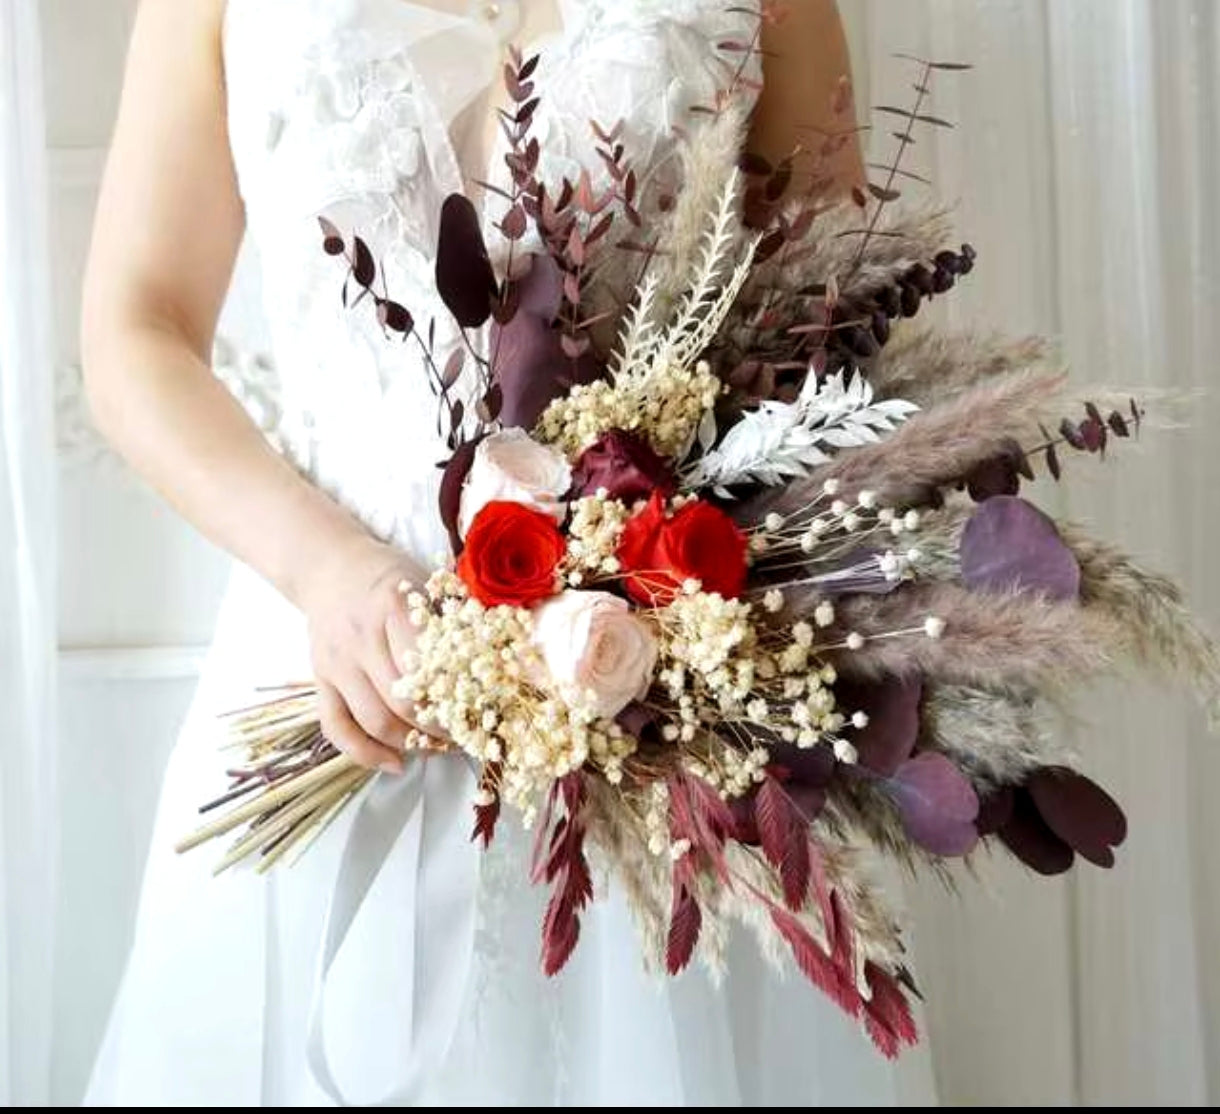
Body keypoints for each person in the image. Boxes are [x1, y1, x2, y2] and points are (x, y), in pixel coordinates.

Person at [82, 1, 933, 1104]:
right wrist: (330, 571)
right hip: (318, 666)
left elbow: (831, 339)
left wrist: (664, 580)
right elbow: (132, 328)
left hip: (654, 714)